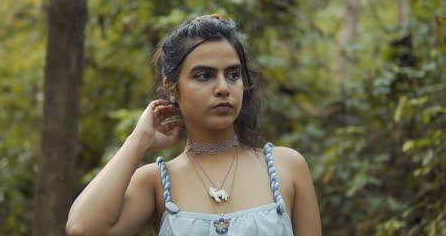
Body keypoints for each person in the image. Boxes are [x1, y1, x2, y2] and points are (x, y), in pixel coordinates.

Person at [66, 14, 322, 236]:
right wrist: (138, 141)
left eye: (233, 74)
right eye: (204, 75)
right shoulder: (156, 182)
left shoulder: (286, 167)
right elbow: (83, 228)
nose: (223, 88)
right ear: (171, 88)